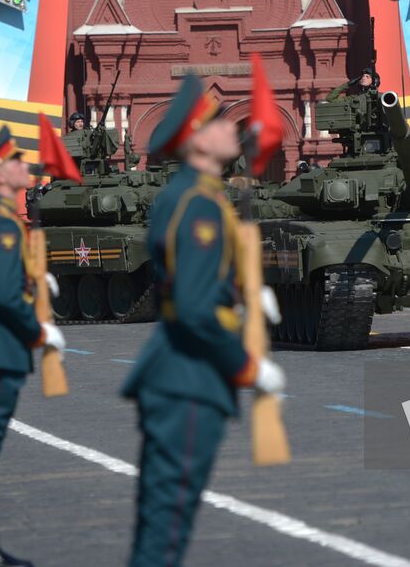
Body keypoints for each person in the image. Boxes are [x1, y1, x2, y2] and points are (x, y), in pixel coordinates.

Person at [122, 73, 286, 567]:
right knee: (166, 527)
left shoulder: (202, 197)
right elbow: (193, 308)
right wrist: (247, 366)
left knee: (167, 521)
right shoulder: (197, 204)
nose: (229, 127)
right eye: (216, 122)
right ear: (196, 139)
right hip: (189, 377)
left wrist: (242, 292)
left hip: (183, 373)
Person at [0, 127, 65, 567]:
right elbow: (3, 294)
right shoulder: (0, 224)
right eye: (17, 160)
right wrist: (38, 331)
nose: (26, 167)